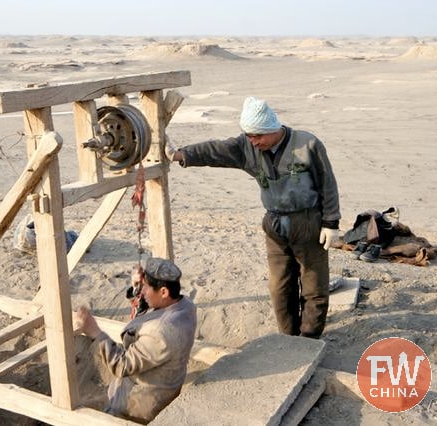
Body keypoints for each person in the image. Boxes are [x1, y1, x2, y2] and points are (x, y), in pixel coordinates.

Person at [166, 97, 340, 339]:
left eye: (258, 136)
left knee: (313, 285)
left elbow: (327, 184)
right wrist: (180, 154)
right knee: (280, 287)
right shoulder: (247, 146)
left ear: (272, 129)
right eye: (248, 135)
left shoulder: (307, 144)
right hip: (275, 225)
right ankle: (289, 338)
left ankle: (309, 338)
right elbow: (215, 150)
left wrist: (331, 223)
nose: (253, 141)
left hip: (308, 222)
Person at [74, 257, 197, 423]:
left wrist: (95, 333)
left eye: (146, 287)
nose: (143, 291)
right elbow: (151, 310)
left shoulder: (161, 332)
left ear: (163, 292)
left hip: (138, 404)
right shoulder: (185, 305)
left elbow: (121, 366)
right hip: (163, 382)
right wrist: (138, 287)